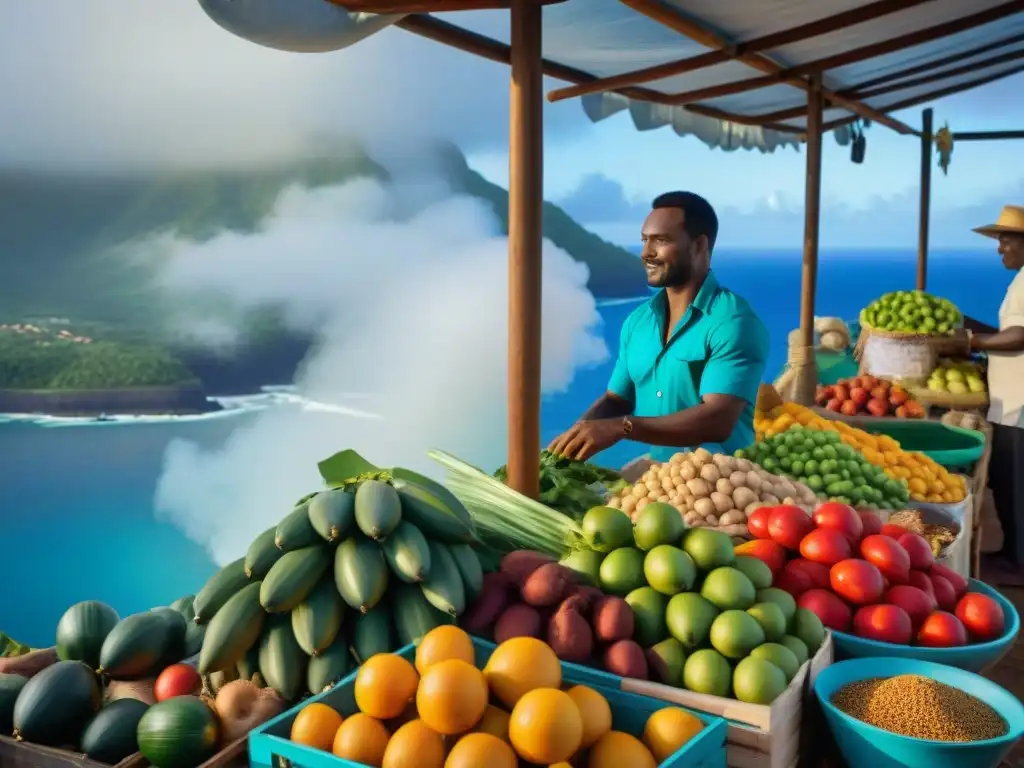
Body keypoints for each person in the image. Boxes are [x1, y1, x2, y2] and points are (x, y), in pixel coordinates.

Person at [549, 191, 769, 466]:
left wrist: (622, 428)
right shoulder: (637, 322)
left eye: (661, 241)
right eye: (644, 240)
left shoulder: (733, 322)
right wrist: (569, 442)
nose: (645, 253)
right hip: (661, 477)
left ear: (699, 245)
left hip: (726, 484)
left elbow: (718, 420)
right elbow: (616, 400)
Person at [962, 205, 1024, 566]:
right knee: (1006, 480)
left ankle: (1019, 561)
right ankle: (1012, 552)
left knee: (1015, 483)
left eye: (1005, 240)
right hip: (1011, 400)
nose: (999, 248)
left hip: (1018, 403)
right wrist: (968, 324)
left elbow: (1019, 336)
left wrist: (971, 342)